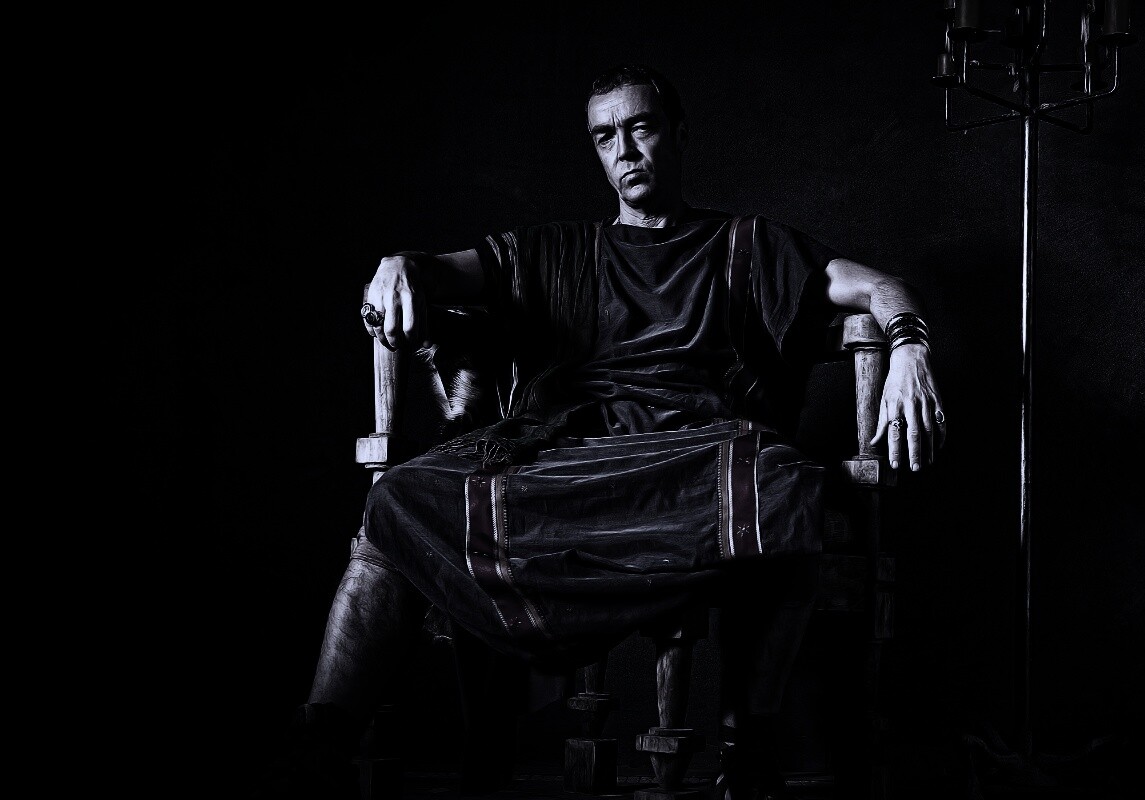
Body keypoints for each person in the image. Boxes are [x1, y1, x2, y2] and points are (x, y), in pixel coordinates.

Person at [259, 63, 945, 800]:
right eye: (605, 136)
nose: (625, 150)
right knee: (396, 499)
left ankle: (749, 750)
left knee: (783, 487)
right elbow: (438, 273)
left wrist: (909, 346)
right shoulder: (556, 251)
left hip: (686, 460)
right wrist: (399, 265)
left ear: (678, 135)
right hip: (564, 461)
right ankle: (320, 744)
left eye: (641, 128)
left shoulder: (746, 245)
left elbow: (879, 285)